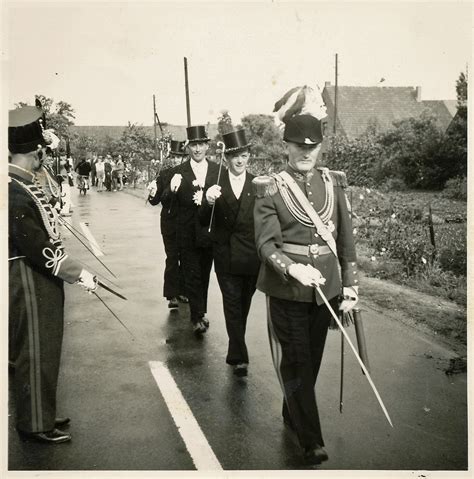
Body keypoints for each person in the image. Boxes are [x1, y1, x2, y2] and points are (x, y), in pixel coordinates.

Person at [253, 113, 359, 466]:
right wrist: (293, 268)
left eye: (312, 147)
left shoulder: (333, 184)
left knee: (310, 360)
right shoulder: (272, 186)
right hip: (289, 290)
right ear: (286, 146)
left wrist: (351, 287)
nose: (306, 153)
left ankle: (292, 408)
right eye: (299, 146)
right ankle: (311, 439)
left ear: (320, 147)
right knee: (297, 360)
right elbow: (266, 245)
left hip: (325, 289)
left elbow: (345, 240)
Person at [8, 104, 98, 444]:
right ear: (33, 153)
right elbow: (38, 249)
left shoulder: (22, 183)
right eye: (40, 153)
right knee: (34, 348)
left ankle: (41, 412)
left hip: (37, 276)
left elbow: (46, 212)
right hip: (27, 277)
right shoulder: (13, 191)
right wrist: (79, 274)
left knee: (46, 347)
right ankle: (33, 423)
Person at [199, 128, 259, 376]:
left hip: (251, 258)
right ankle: (238, 355)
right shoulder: (215, 185)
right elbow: (203, 220)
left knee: (243, 305)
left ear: (249, 157)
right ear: (226, 158)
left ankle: (237, 343)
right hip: (225, 257)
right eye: (234, 155)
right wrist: (207, 201)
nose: (239, 160)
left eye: (243, 155)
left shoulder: (257, 184)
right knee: (232, 303)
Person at [165, 126, 219, 335]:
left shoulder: (217, 170)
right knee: (192, 274)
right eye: (193, 145)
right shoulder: (178, 172)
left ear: (207, 146)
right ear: (188, 147)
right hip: (186, 233)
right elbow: (167, 203)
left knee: (204, 274)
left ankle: (201, 311)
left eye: (201, 144)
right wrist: (171, 189)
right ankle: (196, 316)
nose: (197, 149)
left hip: (208, 232)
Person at [148, 140, 187, 308]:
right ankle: (171, 295)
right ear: (171, 157)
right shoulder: (163, 175)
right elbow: (155, 201)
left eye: (181, 157)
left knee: (185, 257)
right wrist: (151, 192)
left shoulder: (189, 174)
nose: (178, 160)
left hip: (186, 222)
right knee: (172, 258)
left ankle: (183, 291)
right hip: (169, 222)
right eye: (175, 157)